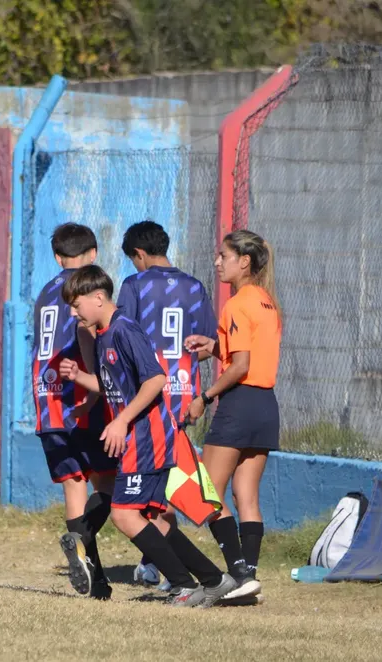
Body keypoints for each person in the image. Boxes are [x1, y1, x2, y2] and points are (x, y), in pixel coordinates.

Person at [58, 265, 235, 608]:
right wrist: (81, 376)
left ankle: (184, 586)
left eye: (76, 303)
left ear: (98, 297)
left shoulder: (124, 330)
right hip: (137, 437)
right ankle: (215, 580)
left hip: (147, 436)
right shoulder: (105, 334)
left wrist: (122, 421)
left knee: (125, 515)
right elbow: (116, 389)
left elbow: (155, 381)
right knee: (151, 518)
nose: (73, 311)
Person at [116, 220, 220, 590]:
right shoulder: (194, 286)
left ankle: (161, 565)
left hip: (149, 396)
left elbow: (123, 337)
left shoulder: (135, 286)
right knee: (166, 476)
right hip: (185, 396)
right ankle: (156, 562)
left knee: (147, 479)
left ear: (139, 255)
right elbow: (207, 345)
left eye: (133, 259)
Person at [184, 229, 282, 601]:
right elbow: (245, 352)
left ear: (244, 262)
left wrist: (205, 397)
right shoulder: (267, 302)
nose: (217, 262)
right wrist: (213, 346)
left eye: (223, 255)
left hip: (238, 404)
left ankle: (238, 574)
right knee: (247, 496)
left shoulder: (237, 303)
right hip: (265, 406)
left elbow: (240, 366)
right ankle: (250, 578)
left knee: (207, 491)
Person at [31, 223, 115, 599]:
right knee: (110, 485)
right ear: (93, 254)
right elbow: (87, 340)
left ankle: (95, 581)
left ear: (56, 255)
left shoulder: (44, 293)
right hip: (79, 399)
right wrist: (96, 390)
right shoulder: (81, 291)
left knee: (73, 487)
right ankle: (78, 539)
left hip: (45, 402)